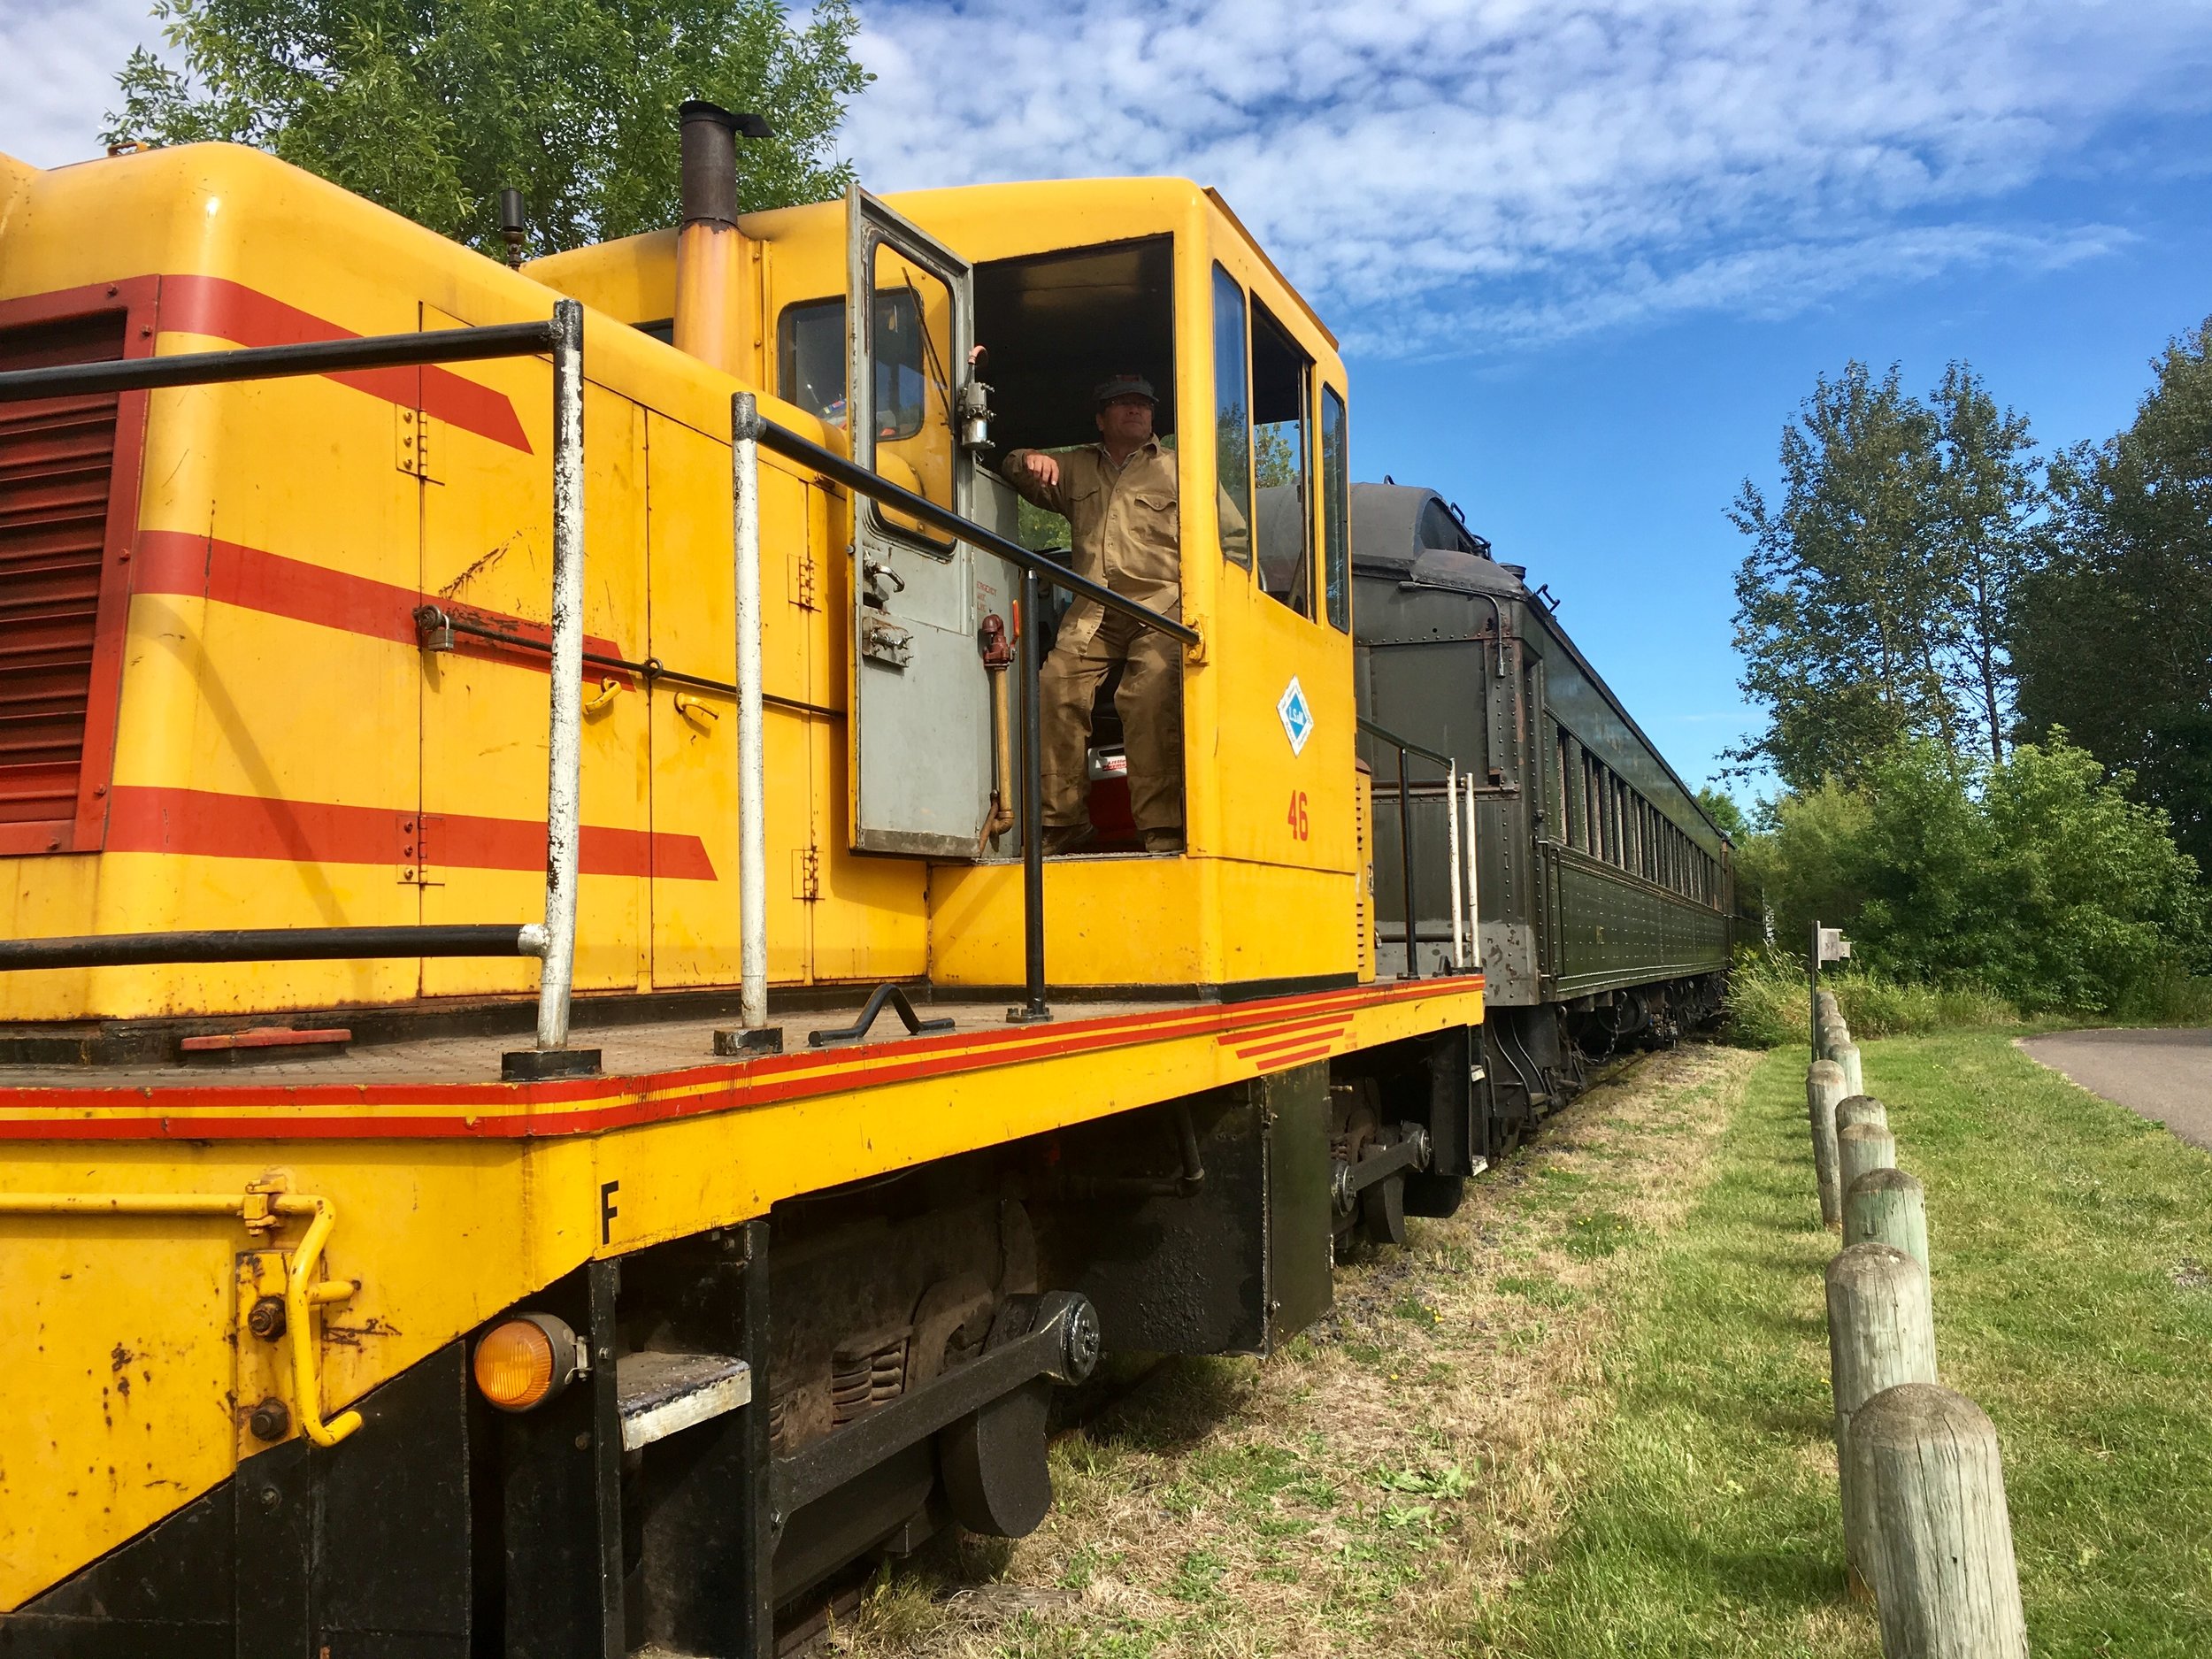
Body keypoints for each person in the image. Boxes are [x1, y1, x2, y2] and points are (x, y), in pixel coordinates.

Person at [1001, 374, 1187, 855]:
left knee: (1147, 694)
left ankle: (1162, 827)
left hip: (1161, 610)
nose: (1135, 409)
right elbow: (1013, 466)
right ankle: (1062, 822)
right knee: (1055, 684)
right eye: (1121, 402)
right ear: (1100, 418)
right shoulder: (1077, 469)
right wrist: (1030, 459)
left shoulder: (1181, 471)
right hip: (1095, 612)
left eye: (1144, 403)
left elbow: (1231, 540)